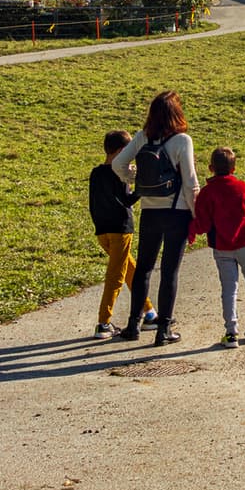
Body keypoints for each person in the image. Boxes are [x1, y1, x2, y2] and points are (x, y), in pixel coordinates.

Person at [110, 90, 199, 345]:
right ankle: (164, 330)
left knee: (144, 270)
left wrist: (134, 180)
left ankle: (133, 325)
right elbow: (191, 182)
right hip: (176, 211)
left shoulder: (142, 137)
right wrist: (195, 214)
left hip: (150, 211)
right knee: (170, 271)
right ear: (176, 113)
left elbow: (118, 165)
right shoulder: (182, 140)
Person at [189, 145, 245, 348]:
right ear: (234, 167)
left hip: (222, 246)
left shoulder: (207, 193)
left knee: (229, 289)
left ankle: (231, 332)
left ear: (211, 168)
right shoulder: (243, 188)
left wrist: (192, 230)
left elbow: (203, 224)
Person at [87, 130, 139, 337]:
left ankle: (149, 312)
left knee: (130, 270)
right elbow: (127, 201)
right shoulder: (120, 173)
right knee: (116, 277)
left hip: (103, 231)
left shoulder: (96, 173)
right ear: (121, 151)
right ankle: (104, 322)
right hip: (121, 229)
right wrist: (140, 188)